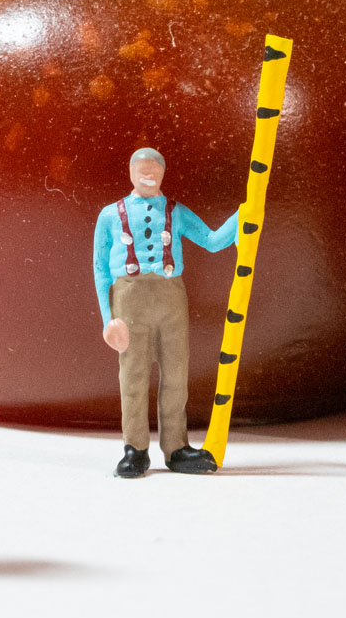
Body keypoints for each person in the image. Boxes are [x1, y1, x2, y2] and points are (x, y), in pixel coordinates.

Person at [92, 148, 238, 478]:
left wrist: (241, 217)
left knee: (176, 374)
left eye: (155, 170)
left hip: (171, 298)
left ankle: (176, 447)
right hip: (129, 298)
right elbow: (100, 267)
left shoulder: (177, 211)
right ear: (130, 172)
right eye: (142, 170)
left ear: (163, 173)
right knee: (132, 376)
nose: (148, 175)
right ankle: (135, 448)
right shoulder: (110, 215)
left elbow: (212, 241)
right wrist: (108, 319)